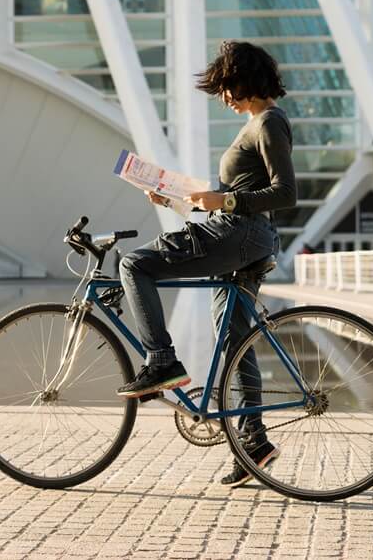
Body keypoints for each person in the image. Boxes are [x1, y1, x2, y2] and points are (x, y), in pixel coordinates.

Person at [116, 40, 297, 488]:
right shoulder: (257, 124)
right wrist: (177, 198)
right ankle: (254, 441)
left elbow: (286, 192)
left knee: (134, 266)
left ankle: (161, 360)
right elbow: (225, 200)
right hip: (241, 234)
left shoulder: (269, 122)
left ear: (244, 81)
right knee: (235, 338)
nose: (223, 98)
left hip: (240, 234)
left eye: (225, 87)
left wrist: (226, 198)